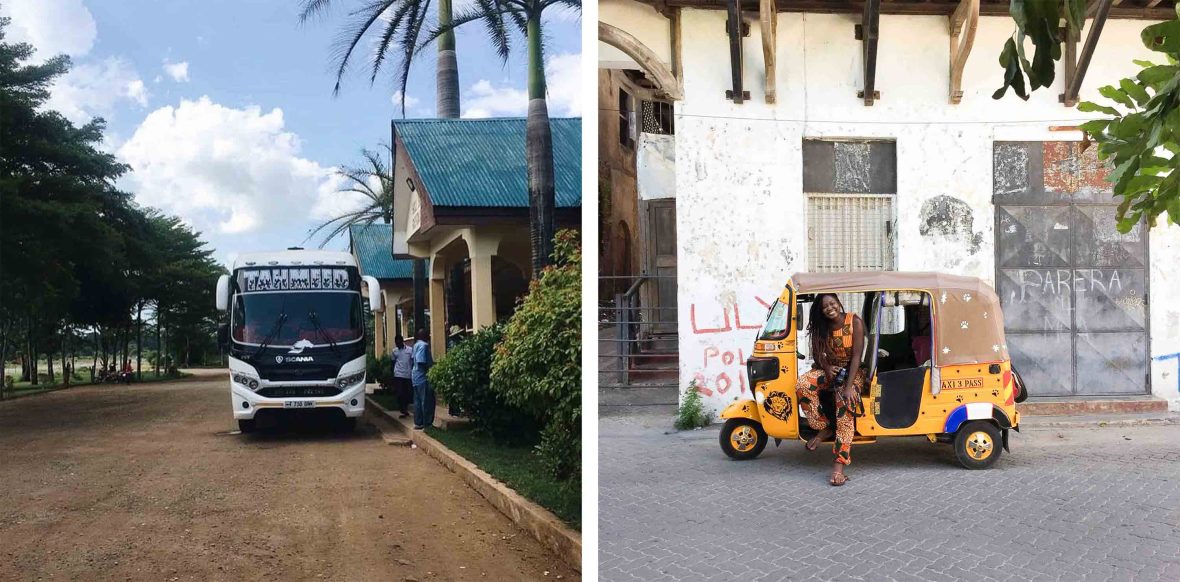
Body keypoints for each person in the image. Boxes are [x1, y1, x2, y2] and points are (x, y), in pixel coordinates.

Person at [797, 294, 866, 486]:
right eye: (824, 306)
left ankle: (839, 466)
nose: (829, 308)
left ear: (838, 302)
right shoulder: (822, 327)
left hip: (853, 372)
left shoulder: (855, 321)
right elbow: (819, 354)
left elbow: (857, 357)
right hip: (831, 370)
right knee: (803, 384)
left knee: (845, 404)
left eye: (832, 303)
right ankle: (824, 428)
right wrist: (826, 368)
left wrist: (849, 386)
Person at [411, 329, 435, 430]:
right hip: (422, 377)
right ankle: (427, 423)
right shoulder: (424, 345)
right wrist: (430, 371)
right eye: (428, 334)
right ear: (425, 336)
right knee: (426, 400)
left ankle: (418, 422)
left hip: (415, 376)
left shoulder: (415, 345)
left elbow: (413, 359)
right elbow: (421, 361)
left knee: (417, 401)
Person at [390, 335, 414, 418]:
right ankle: (402, 408)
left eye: (398, 342)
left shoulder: (410, 350)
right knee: (400, 393)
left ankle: (405, 407)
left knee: (407, 393)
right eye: (396, 342)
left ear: (402, 341)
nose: (397, 344)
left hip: (407, 374)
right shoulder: (394, 351)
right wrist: (392, 375)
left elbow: (413, 362)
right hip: (398, 374)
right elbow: (392, 363)